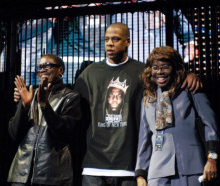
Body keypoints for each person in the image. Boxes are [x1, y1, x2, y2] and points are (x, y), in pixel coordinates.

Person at [74, 23, 201, 186]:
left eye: (115, 39)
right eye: (106, 39)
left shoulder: (143, 72)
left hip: (130, 166)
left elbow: (168, 80)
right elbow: (74, 112)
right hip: (94, 166)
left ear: (128, 41)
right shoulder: (90, 73)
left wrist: (188, 74)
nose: (109, 43)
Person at [135, 46, 219, 186]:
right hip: (157, 172)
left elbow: (211, 126)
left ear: (175, 68)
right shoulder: (148, 100)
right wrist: (140, 173)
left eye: (165, 67)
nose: (160, 71)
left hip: (190, 167)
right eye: (155, 67)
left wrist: (212, 159)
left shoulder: (190, 90)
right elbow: (144, 139)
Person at [7, 54, 81, 186]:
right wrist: (24, 106)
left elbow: (64, 132)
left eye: (47, 65)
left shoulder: (70, 97)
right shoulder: (30, 94)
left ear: (61, 70)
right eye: (40, 67)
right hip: (21, 175)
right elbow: (14, 133)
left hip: (52, 176)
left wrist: (45, 106)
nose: (42, 70)